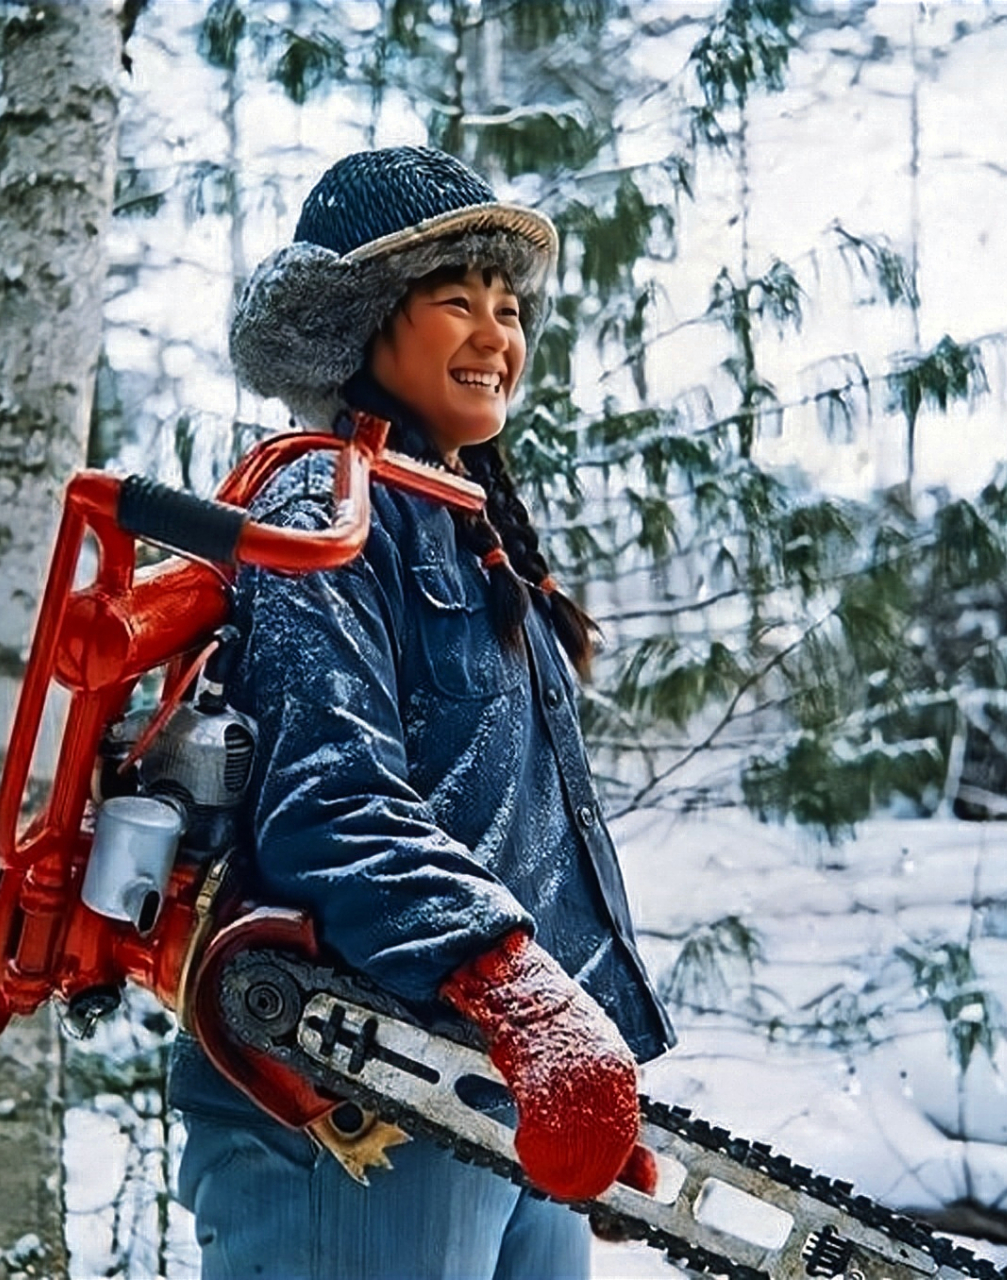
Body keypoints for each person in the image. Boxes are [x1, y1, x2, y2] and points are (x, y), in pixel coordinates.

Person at [168, 145, 674, 1280]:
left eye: (510, 305)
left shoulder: (463, 520)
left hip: (478, 1083)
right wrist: (516, 990)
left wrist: (578, 1037)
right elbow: (327, 797)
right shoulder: (320, 503)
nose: (498, 333)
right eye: (457, 300)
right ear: (358, 322)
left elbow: (519, 831)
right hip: (356, 1098)